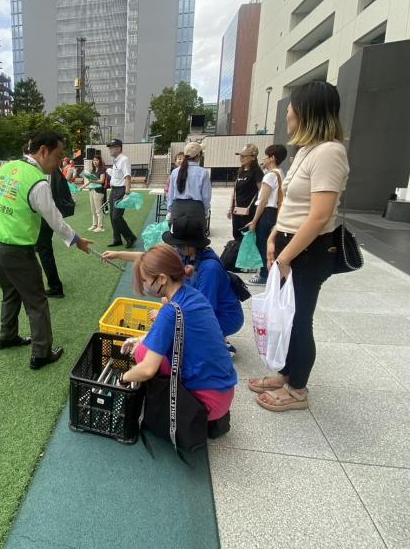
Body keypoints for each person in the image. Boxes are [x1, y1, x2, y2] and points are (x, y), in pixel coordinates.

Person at [249, 81, 349, 413]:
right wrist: (275, 237)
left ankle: (297, 389)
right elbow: (291, 205)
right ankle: (286, 373)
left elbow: (319, 216)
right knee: (285, 316)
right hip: (290, 245)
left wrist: (287, 256)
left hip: (309, 250)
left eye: (292, 107)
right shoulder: (306, 150)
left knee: (299, 319)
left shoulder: (330, 153)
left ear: (307, 112)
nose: (288, 112)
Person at [0, 131, 92, 370]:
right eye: (58, 156)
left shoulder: (7, 167)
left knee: (10, 292)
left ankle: (7, 336)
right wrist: (77, 240)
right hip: (17, 248)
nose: (58, 162)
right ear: (43, 151)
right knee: (36, 302)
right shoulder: (37, 180)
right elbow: (55, 219)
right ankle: (41, 353)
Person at [117, 244, 236, 438]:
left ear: (162, 279)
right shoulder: (190, 294)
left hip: (204, 404)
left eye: (146, 281)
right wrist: (141, 337)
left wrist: (124, 378)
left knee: (142, 354)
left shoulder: (171, 311)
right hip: (223, 395)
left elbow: (148, 369)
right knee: (145, 347)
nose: (145, 286)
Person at [103, 213, 244, 342]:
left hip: (226, 317)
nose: (174, 246)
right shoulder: (188, 253)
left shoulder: (209, 270)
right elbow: (149, 259)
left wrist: (168, 315)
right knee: (166, 300)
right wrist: (118, 254)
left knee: (178, 325)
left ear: (189, 244)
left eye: (177, 243)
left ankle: (218, 340)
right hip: (209, 306)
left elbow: (203, 312)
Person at [247, 144, 288, 285]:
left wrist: (254, 220)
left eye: (266, 156)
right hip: (275, 213)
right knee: (271, 244)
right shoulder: (280, 173)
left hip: (267, 213)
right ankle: (270, 273)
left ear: (272, 158)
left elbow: (263, 200)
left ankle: (264, 275)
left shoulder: (270, 176)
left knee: (263, 244)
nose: (263, 158)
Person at [35, 162, 76, 299]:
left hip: (44, 216)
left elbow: (48, 204)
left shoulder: (47, 172)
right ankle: (54, 285)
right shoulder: (53, 171)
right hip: (47, 215)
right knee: (44, 250)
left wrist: (73, 238)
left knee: (44, 250)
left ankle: (55, 286)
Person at [167, 141, 211, 231]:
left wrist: (170, 210)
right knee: (195, 241)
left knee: (177, 240)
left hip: (177, 208)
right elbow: (206, 196)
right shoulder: (203, 172)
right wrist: (206, 211)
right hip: (196, 210)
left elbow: (170, 194)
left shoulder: (175, 172)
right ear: (198, 155)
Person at [105, 139, 136, 248]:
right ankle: (117, 239)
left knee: (116, 217)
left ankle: (130, 237)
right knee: (112, 217)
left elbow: (127, 176)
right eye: (109, 147)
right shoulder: (116, 160)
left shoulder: (124, 159)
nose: (110, 149)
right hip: (114, 190)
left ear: (118, 148)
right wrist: (110, 172)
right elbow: (118, 175)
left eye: (112, 147)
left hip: (121, 190)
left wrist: (127, 193)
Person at [228, 144, 262, 242]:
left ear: (253, 157)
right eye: (240, 156)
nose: (241, 158)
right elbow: (235, 190)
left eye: (244, 156)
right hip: (237, 210)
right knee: (236, 235)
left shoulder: (257, 172)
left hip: (249, 212)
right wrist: (231, 208)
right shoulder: (240, 171)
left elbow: (261, 192)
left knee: (247, 237)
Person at [81, 154, 107, 232]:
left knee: (98, 209)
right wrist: (81, 187)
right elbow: (89, 181)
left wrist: (93, 180)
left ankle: (100, 226)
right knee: (93, 209)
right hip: (91, 190)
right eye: (94, 160)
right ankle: (94, 225)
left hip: (99, 191)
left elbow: (101, 181)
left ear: (100, 161)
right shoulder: (93, 170)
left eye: (97, 160)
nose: (95, 162)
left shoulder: (102, 170)